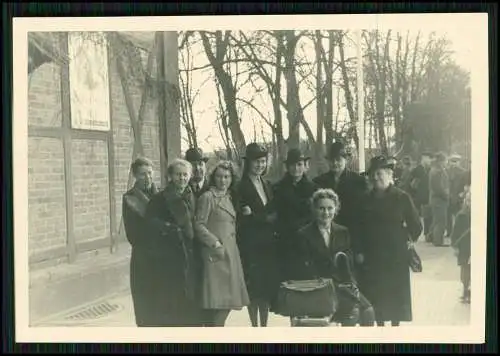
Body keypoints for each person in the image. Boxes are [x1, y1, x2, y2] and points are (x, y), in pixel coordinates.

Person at [291, 189, 375, 327]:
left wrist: (350, 283)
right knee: (350, 314)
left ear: (336, 209)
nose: (326, 213)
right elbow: (303, 267)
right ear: (314, 209)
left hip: (341, 285)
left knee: (368, 311)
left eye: (330, 208)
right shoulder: (303, 234)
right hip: (318, 287)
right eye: (321, 208)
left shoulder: (343, 231)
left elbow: (348, 263)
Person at [357, 156, 422, 327]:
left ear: (389, 174)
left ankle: (395, 328)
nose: (375, 178)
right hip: (372, 257)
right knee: (375, 296)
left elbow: (416, 226)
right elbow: (359, 227)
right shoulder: (365, 199)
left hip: (396, 257)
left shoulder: (401, 197)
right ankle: (379, 328)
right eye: (372, 174)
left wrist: (407, 240)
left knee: (395, 298)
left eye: (379, 174)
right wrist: (360, 251)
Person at [145, 158, 203, 326]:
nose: (182, 178)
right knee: (173, 299)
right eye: (178, 175)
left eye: (185, 175)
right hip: (170, 256)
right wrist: (171, 229)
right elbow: (151, 222)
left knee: (191, 298)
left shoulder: (192, 194)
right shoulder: (160, 199)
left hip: (191, 253)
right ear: (170, 176)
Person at [194, 161, 250, 326]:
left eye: (226, 177)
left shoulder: (230, 197)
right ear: (213, 178)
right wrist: (215, 243)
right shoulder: (208, 197)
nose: (223, 180)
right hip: (216, 256)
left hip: (230, 254)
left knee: (227, 302)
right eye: (219, 176)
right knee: (218, 302)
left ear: (232, 179)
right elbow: (198, 225)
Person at [237, 143, 281, 327]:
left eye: (263, 161)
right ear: (248, 163)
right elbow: (242, 217)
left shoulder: (267, 184)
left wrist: (255, 216)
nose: (260, 165)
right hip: (251, 245)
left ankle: (264, 326)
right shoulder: (240, 186)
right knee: (253, 288)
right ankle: (255, 327)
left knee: (265, 287)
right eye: (256, 162)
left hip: (268, 245)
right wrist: (263, 218)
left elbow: (275, 213)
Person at [313, 141, 366, 265]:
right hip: (327, 235)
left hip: (351, 235)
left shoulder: (359, 182)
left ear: (346, 159)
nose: (335, 163)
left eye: (338, 159)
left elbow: (362, 216)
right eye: (331, 160)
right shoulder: (319, 182)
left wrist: (360, 248)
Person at [122, 157, 159, 326]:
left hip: (163, 256)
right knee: (144, 303)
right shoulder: (129, 198)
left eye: (150, 173)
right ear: (135, 175)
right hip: (143, 257)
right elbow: (132, 233)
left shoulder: (161, 195)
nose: (148, 177)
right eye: (143, 174)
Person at [273, 148, 317, 281]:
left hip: (307, 240)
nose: (296, 168)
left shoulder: (313, 188)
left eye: (299, 165)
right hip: (285, 239)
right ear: (287, 167)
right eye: (292, 165)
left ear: (305, 166)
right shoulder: (278, 188)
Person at [450, 189, 471, 304]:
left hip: (474, 247)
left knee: (472, 269)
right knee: (465, 271)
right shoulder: (461, 215)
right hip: (464, 248)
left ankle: (469, 291)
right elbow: (455, 233)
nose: (470, 203)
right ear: (465, 201)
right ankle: (465, 290)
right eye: (468, 200)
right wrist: (455, 247)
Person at [409, 152, 433, 242]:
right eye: (428, 158)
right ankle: (415, 233)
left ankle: (427, 233)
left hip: (427, 196)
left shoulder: (429, 169)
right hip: (419, 196)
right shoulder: (417, 170)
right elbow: (411, 184)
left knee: (427, 216)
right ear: (423, 158)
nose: (430, 160)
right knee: (416, 216)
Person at [429, 152, 450, 247]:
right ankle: (438, 241)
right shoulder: (438, 171)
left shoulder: (434, 170)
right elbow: (438, 188)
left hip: (435, 199)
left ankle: (431, 237)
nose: (447, 162)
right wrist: (446, 196)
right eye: (446, 160)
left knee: (437, 219)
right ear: (441, 161)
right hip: (439, 199)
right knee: (441, 221)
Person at [447, 154, 467, 236]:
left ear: (459, 162)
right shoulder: (447, 171)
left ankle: (458, 232)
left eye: (456, 162)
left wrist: (462, 194)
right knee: (448, 216)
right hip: (449, 196)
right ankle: (449, 232)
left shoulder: (464, 172)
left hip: (458, 197)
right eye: (452, 161)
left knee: (458, 215)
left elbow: (466, 184)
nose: (454, 163)